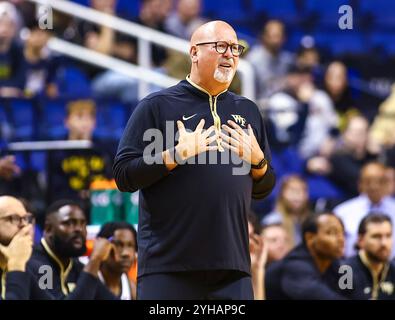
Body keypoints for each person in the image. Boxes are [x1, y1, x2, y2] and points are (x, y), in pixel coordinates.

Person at [113, 20, 275, 300]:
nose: (230, 54)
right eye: (220, 46)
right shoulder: (157, 106)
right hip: (168, 266)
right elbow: (124, 176)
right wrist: (175, 154)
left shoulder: (248, 111)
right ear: (194, 53)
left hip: (232, 267)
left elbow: (263, 189)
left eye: (235, 48)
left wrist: (258, 161)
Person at [26, 199, 117, 299]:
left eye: (83, 223)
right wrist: (95, 260)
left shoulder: (75, 266)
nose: (79, 229)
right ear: (48, 229)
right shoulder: (36, 264)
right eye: (69, 223)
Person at [265, 212, 346, 300]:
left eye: (342, 233)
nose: (341, 239)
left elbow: (353, 292)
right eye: (331, 233)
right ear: (310, 238)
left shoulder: (335, 263)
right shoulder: (295, 265)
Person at [334, 162, 395, 257]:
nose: (374, 186)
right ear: (360, 184)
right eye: (368, 181)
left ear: (387, 183)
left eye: (379, 181)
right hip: (352, 267)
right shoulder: (343, 211)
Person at [342, 213, 395, 300]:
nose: (384, 243)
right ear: (360, 240)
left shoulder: (393, 269)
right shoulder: (345, 270)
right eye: (376, 236)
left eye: (388, 236)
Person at [262, 175, 311, 247]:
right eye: (292, 190)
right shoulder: (272, 220)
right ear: (282, 194)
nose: (296, 195)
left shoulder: (310, 220)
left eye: (301, 190)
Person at [0, 196, 33, 300]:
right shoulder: (18, 262)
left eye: (26, 218)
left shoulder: (24, 263)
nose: (24, 225)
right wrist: (16, 265)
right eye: (14, 218)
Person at [96, 222, 137, 300]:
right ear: (103, 246)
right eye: (119, 245)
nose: (126, 253)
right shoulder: (87, 280)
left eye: (130, 245)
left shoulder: (132, 289)